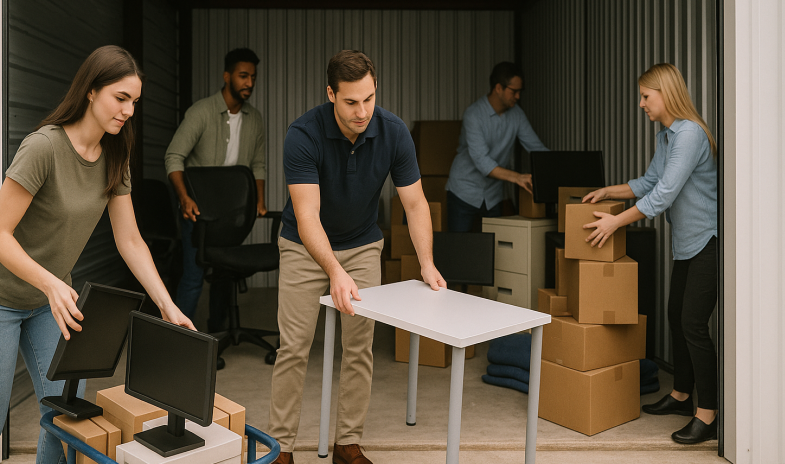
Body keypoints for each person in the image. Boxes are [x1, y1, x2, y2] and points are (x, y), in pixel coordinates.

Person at [0, 45, 195, 464]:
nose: (128, 111)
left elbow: (130, 240)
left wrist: (166, 304)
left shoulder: (114, 156)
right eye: (121, 98)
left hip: (52, 303)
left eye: (134, 102)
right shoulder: (43, 147)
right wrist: (50, 283)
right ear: (90, 90)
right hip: (0, 298)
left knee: (65, 419)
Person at [268, 50, 446, 464]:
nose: (362, 111)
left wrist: (426, 262)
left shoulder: (394, 132)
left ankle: (347, 443)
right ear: (331, 94)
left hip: (363, 245)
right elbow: (307, 216)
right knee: (293, 347)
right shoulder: (303, 134)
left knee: (359, 347)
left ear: (375, 88)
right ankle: (281, 449)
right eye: (350, 102)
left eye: (368, 98)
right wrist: (334, 269)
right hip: (303, 246)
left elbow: (415, 204)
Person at [581, 63, 718, 445]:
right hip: (687, 243)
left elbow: (663, 195)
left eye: (645, 96)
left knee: (693, 324)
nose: (641, 104)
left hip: (708, 240)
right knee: (676, 316)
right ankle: (682, 395)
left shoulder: (689, 134)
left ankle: (708, 414)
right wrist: (608, 191)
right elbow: (649, 182)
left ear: (665, 93)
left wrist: (615, 222)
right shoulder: (666, 137)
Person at [164, 48, 266, 332]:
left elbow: (258, 164)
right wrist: (184, 198)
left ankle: (217, 332)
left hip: (233, 214)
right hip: (198, 213)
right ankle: (178, 337)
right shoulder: (201, 112)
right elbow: (174, 157)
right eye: (243, 76)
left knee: (225, 274)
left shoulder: (255, 119)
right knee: (193, 276)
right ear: (227, 76)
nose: (249, 83)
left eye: (253, 77)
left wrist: (259, 201)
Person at [445, 61, 549, 233]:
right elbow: (482, 161)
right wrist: (518, 178)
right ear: (498, 88)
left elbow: (536, 148)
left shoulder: (517, 115)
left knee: (496, 248)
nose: (518, 96)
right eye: (514, 91)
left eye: (520, 91)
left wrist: (558, 169)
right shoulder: (474, 114)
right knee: (459, 246)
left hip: (493, 196)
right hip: (464, 192)